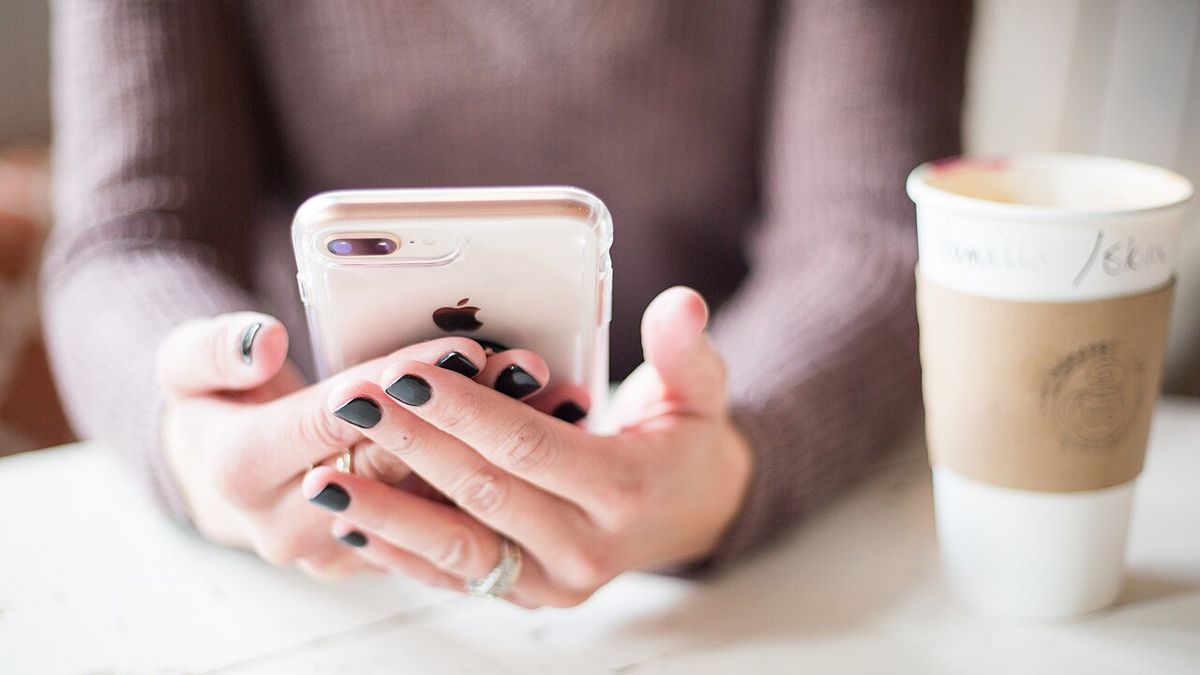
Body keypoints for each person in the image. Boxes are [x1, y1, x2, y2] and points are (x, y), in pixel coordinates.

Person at [44, 0, 970, 607]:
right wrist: (205, 444)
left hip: (710, 493)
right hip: (318, 513)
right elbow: (129, 240)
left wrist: (737, 449)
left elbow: (872, 234)